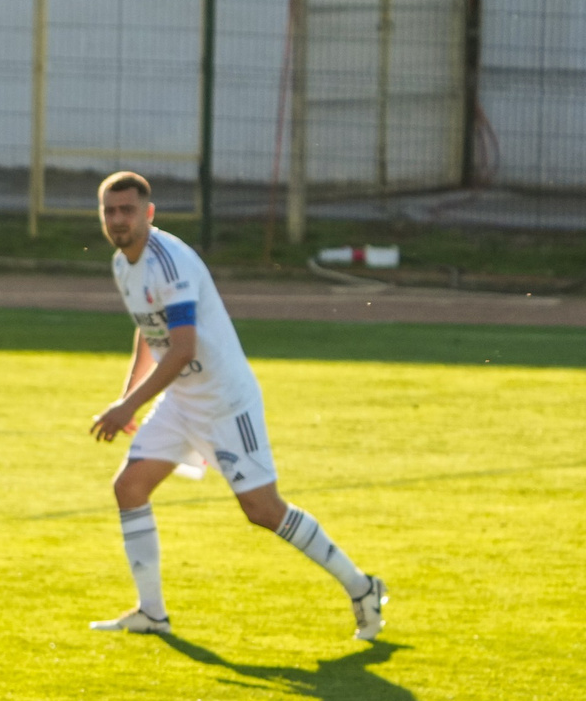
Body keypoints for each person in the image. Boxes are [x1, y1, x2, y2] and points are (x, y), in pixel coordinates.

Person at [87, 172, 388, 643]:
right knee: (130, 487)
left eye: (128, 210)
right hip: (181, 400)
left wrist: (128, 406)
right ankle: (152, 613)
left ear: (149, 213)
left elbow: (183, 349)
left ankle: (363, 587)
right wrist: (128, 394)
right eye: (110, 211)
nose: (118, 219)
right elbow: (149, 329)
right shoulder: (124, 264)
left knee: (263, 510)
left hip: (226, 402)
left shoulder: (170, 263)